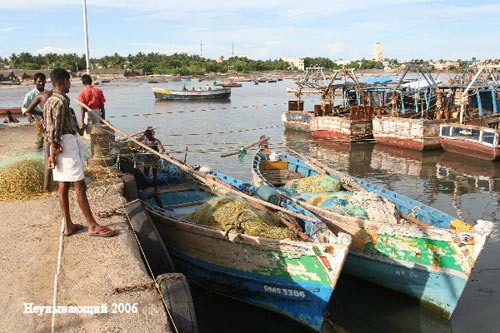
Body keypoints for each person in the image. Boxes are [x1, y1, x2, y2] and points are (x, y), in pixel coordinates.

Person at [44, 68, 116, 237]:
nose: (70, 84)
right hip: (65, 145)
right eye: (69, 81)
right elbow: (55, 130)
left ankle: (68, 225)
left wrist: (51, 151)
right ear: (63, 82)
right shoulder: (61, 102)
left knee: (63, 186)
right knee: (80, 186)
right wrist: (55, 148)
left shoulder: (49, 101)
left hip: (57, 146)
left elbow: (48, 128)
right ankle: (92, 225)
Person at [26, 90, 54, 192]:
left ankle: (54, 184)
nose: (41, 83)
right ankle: (46, 187)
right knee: (49, 156)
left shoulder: (49, 95)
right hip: (49, 128)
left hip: (53, 128)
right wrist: (41, 113)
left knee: (52, 155)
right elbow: (28, 110)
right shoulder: (43, 95)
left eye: (43, 81)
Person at [22, 72, 47, 150]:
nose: (41, 83)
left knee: (49, 139)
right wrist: (29, 116)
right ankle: (39, 151)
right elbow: (25, 107)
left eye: (43, 81)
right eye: (39, 81)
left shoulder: (48, 93)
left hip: (47, 119)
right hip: (38, 119)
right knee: (40, 138)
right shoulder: (30, 95)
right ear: (35, 82)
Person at [138, 129, 165, 195]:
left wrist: (160, 150)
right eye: (146, 136)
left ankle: (155, 189)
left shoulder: (156, 141)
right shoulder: (144, 142)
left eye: (148, 136)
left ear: (151, 135)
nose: (147, 137)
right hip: (147, 159)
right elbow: (138, 148)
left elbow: (162, 149)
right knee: (145, 174)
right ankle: (145, 187)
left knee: (154, 174)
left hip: (154, 159)